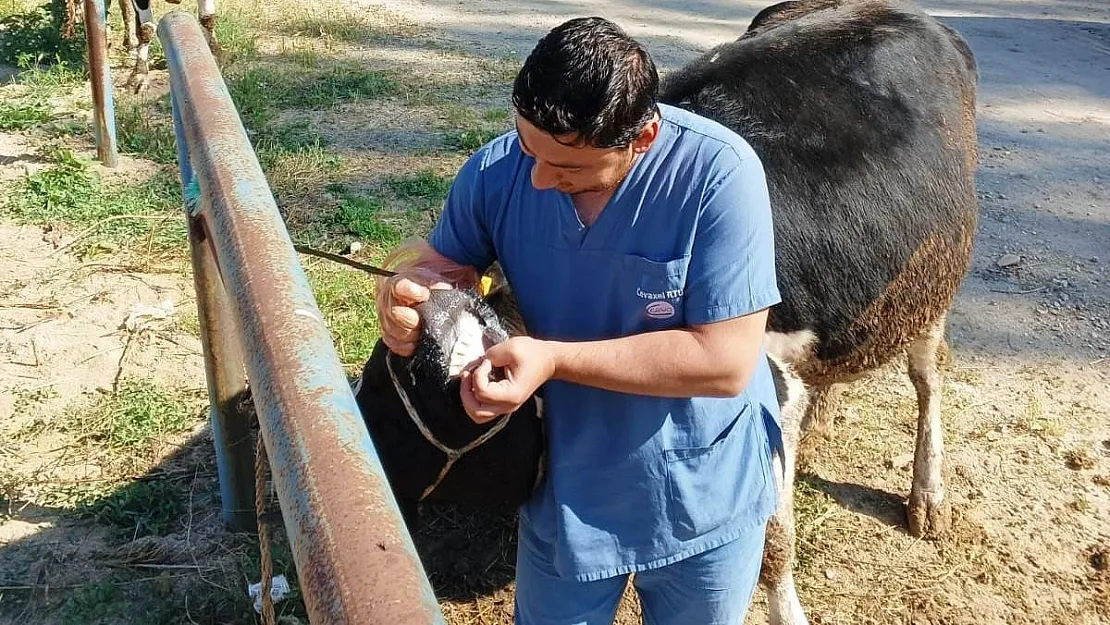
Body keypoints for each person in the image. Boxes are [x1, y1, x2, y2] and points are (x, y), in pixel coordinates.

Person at [376, 16, 782, 625]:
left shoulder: (718, 176)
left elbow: (723, 361)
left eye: (566, 169)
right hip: (564, 485)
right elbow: (439, 264)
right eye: (526, 146)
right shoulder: (500, 169)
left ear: (641, 139)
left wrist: (553, 358)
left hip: (700, 490)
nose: (538, 178)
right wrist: (407, 289)